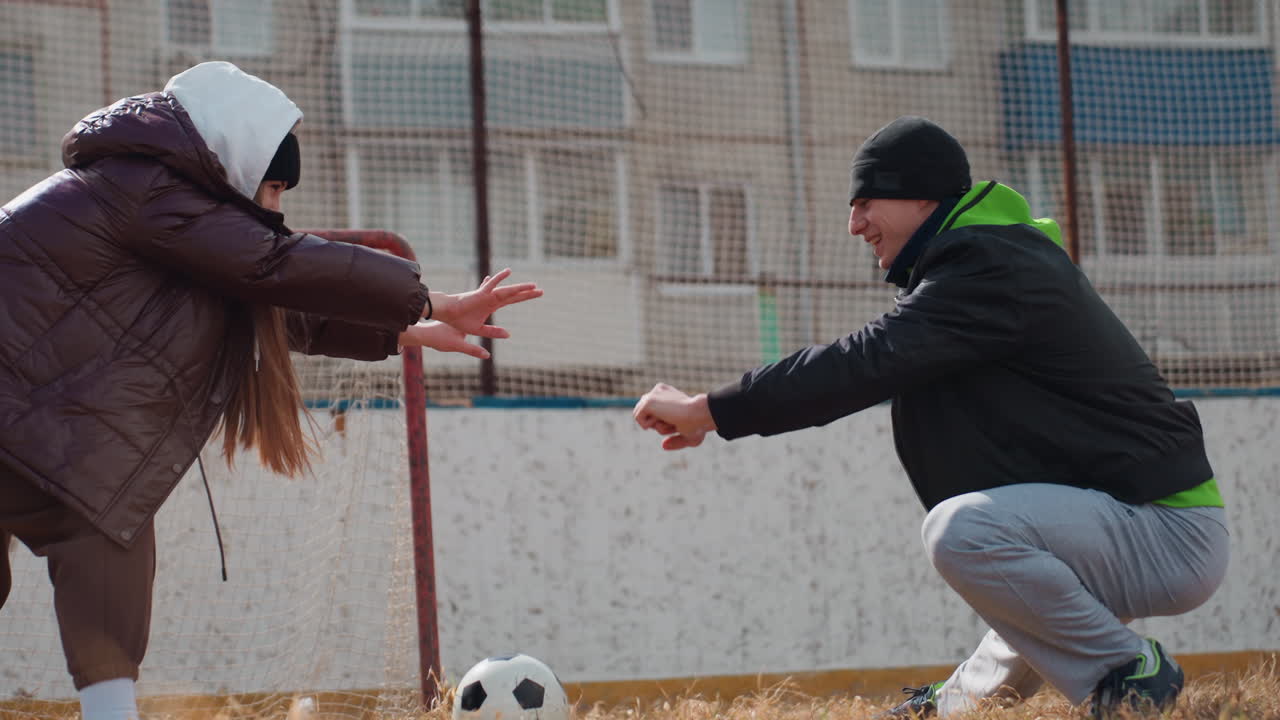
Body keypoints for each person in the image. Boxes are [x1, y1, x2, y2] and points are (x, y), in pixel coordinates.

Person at [632, 116, 1229, 719]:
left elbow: (860, 363)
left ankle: (1128, 672)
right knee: (1005, 572)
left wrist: (707, 411)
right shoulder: (986, 265)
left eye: (867, 201)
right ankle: (949, 708)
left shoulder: (991, 268)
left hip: (1163, 531)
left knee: (964, 531)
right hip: (1123, 521)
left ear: (924, 196)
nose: (854, 223)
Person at [0, 61, 541, 720]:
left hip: (40, 429)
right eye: (273, 185)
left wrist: (409, 327)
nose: (278, 207)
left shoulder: (171, 215)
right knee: (103, 534)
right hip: (21, 417)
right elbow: (272, 265)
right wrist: (425, 296)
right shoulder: (143, 189)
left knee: (104, 537)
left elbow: (263, 307)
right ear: (233, 156)